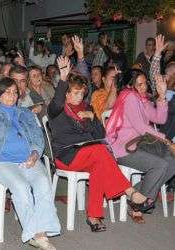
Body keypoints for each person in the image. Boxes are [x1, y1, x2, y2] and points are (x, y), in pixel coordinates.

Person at [48, 56, 153, 231]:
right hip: (66, 156)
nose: (79, 96)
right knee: (99, 151)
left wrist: (94, 118)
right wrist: (64, 78)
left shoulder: (87, 109)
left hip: (90, 155)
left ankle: (94, 216)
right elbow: (57, 101)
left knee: (99, 162)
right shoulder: (56, 110)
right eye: (74, 92)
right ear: (66, 93)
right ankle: (130, 192)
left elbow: (101, 135)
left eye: (81, 92)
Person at [0, 58, 60, 249]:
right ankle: (36, 234)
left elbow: (38, 138)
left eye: (14, 92)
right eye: (7, 92)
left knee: (43, 182)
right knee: (21, 187)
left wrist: (35, 154)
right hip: (1, 162)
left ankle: (42, 230)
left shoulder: (25, 113)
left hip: (27, 159)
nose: (11, 96)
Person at [106, 70, 175, 223]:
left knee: (172, 162)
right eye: (140, 84)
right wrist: (167, 141)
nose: (144, 87)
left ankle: (137, 195)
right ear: (130, 85)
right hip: (122, 148)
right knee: (160, 165)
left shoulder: (142, 99)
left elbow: (160, 119)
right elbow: (141, 127)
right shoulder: (129, 96)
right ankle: (138, 204)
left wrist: (162, 96)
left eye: (145, 83)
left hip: (140, 144)